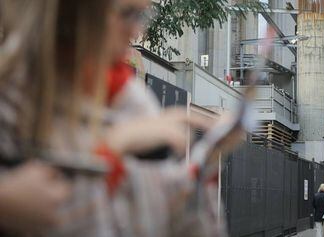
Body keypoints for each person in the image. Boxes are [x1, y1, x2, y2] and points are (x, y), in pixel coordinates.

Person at [0, 0, 229, 236]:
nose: (136, 31)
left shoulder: (133, 99)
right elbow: (60, 218)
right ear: (72, 11)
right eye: (127, 13)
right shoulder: (13, 99)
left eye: (142, 14)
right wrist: (111, 149)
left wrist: (202, 171)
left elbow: (165, 212)